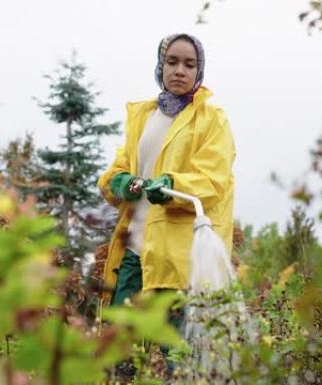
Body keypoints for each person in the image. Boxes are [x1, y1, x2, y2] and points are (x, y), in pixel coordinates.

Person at [97, 32, 235, 364]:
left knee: (177, 355)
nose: (180, 70)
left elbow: (213, 179)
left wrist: (171, 184)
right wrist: (120, 183)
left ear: (199, 71)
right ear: (161, 65)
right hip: (135, 252)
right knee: (118, 351)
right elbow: (117, 170)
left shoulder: (212, 120)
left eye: (190, 64)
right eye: (172, 62)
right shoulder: (143, 117)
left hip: (179, 257)